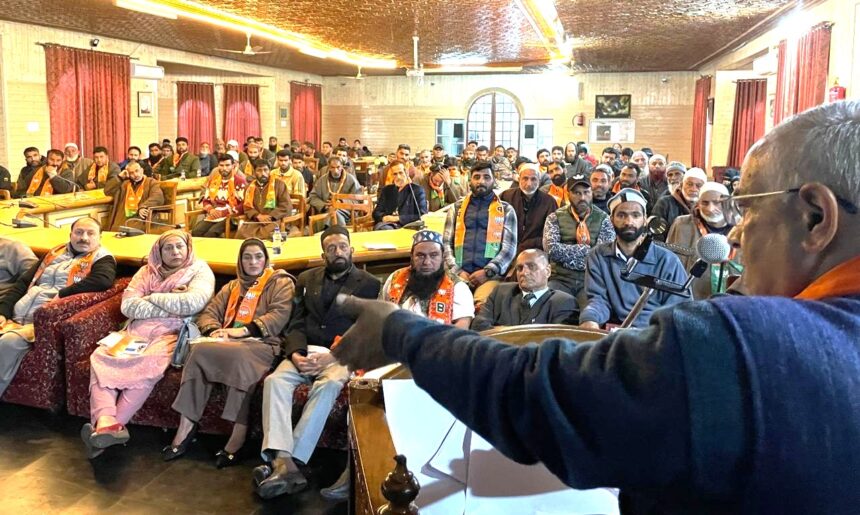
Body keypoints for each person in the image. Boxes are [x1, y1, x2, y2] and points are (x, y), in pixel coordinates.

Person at [327, 99, 860, 515]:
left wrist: (401, 331)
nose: (736, 234)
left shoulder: (745, 343)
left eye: (746, 208)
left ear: (816, 217)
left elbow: (536, 397)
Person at [255, 226, 380, 499]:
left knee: (329, 384)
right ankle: (284, 461)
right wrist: (296, 353)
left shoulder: (369, 283)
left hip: (341, 354)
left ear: (352, 250)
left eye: (343, 246)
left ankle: (289, 463)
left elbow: (364, 328)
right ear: (323, 254)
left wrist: (333, 356)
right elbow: (297, 321)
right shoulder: (305, 279)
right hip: (305, 350)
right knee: (275, 381)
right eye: (331, 248)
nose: (338, 252)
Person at [81, 231, 214, 459]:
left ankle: (105, 432)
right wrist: (171, 299)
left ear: (188, 248)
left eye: (179, 246)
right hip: (136, 330)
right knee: (101, 356)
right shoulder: (146, 272)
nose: (175, 252)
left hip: (171, 332)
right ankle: (106, 422)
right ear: (159, 252)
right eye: (168, 248)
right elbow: (128, 307)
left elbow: (192, 303)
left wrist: (151, 297)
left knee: (148, 365)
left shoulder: (199, 270)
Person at [165, 239, 295, 467]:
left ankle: (239, 432)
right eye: (247, 257)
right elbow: (209, 313)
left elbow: (279, 315)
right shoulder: (232, 286)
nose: (253, 262)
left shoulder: (281, 282)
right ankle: (186, 425)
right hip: (227, 343)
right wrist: (216, 332)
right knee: (198, 351)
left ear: (266, 259)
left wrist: (241, 332)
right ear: (240, 261)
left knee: (239, 357)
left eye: (258, 256)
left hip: (263, 344)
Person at [0, 217, 116, 397]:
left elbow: (102, 280)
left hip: (42, 322)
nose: (84, 238)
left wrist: (63, 293)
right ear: (70, 235)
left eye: (90, 233)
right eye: (78, 232)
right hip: (17, 315)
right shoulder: (55, 252)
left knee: (8, 342)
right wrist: (3, 312)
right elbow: (24, 282)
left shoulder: (102, 257)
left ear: (100, 237)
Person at [580, 189, 687, 328]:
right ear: (611, 219)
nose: (629, 222)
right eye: (621, 215)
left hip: (655, 331)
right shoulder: (598, 256)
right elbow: (598, 300)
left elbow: (679, 309)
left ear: (645, 219)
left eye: (636, 215)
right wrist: (590, 319)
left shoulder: (668, 261)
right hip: (616, 331)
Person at [442, 162, 518, 304]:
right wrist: (457, 272)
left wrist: (488, 272)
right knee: (452, 304)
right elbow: (446, 244)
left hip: (490, 276)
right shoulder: (457, 208)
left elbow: (509, 249)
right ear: (470, 180)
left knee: (482, 306)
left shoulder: (506, 210)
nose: (481, 181)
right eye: (476, 177)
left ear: (494, 180)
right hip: (458, 274)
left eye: (486, 177)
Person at [543, 175, 615, 302]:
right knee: (550, 305)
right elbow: (552, 250)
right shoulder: (554, 217)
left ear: (591, 193)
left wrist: (566, 258)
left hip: (590, 279)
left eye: (586, 192)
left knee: (591, 310)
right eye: (577, 193)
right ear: (568, 194)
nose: (582, 198)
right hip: (560, 279)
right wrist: (587, 250)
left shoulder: (604, 218)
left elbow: (602, 254)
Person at [381, 230, 474, 328]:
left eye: (434, 255)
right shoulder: (395, 278)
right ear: (412, 257)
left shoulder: (458, 287)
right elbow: (381, 314)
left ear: (442, 257)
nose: (427, 262)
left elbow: (462, 327)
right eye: (420, 256)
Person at [666, 182, 743, 299]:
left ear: (728, 203)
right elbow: (670, 263)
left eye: (717, 203)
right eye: (705, 203)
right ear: (698, 204)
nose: (710, 209)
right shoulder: (682, 225)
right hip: (690, 298)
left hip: (734, 300)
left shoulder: (744, 228)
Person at [471, 249, 575, 331]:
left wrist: (502, 330)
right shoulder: (500, 293)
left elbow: (556, 340)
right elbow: (478, 326)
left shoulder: (564, 302)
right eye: (520, 268)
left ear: (548, 271)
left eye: (532, 266)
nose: (524, 273)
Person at [500, 164, 557, 255]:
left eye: (533, 179)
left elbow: (550, 236)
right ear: (519, 179)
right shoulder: (506, 196)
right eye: (525, 178)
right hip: (506, 248)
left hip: (536, 251)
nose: (529, 183)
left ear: (539, 181)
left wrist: (527, 245)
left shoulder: (549, 202)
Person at [236, 160, 295, 239]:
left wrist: (270, 216)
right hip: (255, 220)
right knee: (241, 234)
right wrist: (258, 216)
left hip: (275, 220)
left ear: (269, 171)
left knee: (267, 235)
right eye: (259, 170)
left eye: (265, 170)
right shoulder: (249, 187)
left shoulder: (279, 185)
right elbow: (247, 207)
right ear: (254, 172)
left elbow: (286, 205)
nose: (263, 173)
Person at [192, 154, 247, 238]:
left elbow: (243, 204)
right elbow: (206, 200)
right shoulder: (213, 180)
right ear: (218, 166)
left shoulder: (240, 181)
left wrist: (224, 212)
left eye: (227, 165)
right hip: (214, 214)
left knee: (211, 233)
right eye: (221, 165)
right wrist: (211, 210)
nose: (224, 168)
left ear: (233, 166)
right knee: (196, 232)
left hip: (231, 217)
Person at [103, 161, 164, 232]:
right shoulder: (124, 184)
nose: (135, 175)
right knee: (115, 230)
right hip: (123, 218)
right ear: (128, 174)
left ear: (142, 170)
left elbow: (157, 197)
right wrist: (120, 177)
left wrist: (144, 206)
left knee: (131, 230)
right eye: (131, 173)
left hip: (140, 218)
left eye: (137, 171)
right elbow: (107, 191)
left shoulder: (151, 182)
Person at [372, 160, 427, 230]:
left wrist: (398, 218)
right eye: (395, 174)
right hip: (388, 225)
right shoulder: (387, 190)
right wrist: (383, 217)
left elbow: (422, 215)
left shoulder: (417, 190)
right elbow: (376, 213)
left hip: (409, 227)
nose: (398, 177)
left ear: (406, 172)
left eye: (401, 173)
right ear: (392, 175)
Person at [308, 156, 362, 227]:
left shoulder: (351, 180)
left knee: (335, 213)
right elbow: (313, 197)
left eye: (338, 167)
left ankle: (329, 230)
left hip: (345, 210)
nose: (336, 170)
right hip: (326, 210)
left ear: (342, 166)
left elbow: (358, 199)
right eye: (332, 167)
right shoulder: (322, 180)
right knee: (331, 213)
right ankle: (337, 231)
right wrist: (324, 205)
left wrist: (341, 202)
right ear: (329, 167)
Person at [653, 167, 707, 237]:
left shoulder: (708, 206)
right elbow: (656, 232)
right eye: (689, 184)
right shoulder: (665, 203)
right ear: (681, 185)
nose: (693, 189)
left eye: (698, 186)